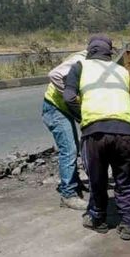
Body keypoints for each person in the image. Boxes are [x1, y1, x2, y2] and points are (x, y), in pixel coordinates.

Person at [63, 36, 130, 241]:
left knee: (97, 179)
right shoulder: (122, 71)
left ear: (90, 50)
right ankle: (128, 224)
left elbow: (68, 97)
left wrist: (84, 117)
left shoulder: (80, 66)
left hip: (95, 133)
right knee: (125, 179)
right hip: (125, 131)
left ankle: (98, 219)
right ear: (109, 52)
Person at [42, 50, 88, 210]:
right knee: (69, 150)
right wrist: (68, 95)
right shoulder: (80, 60)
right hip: (55, 108)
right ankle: (68, 195)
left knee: (73, 147)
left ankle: (74, 183)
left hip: (63, 109)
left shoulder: (91, 62)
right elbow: (54, 75)